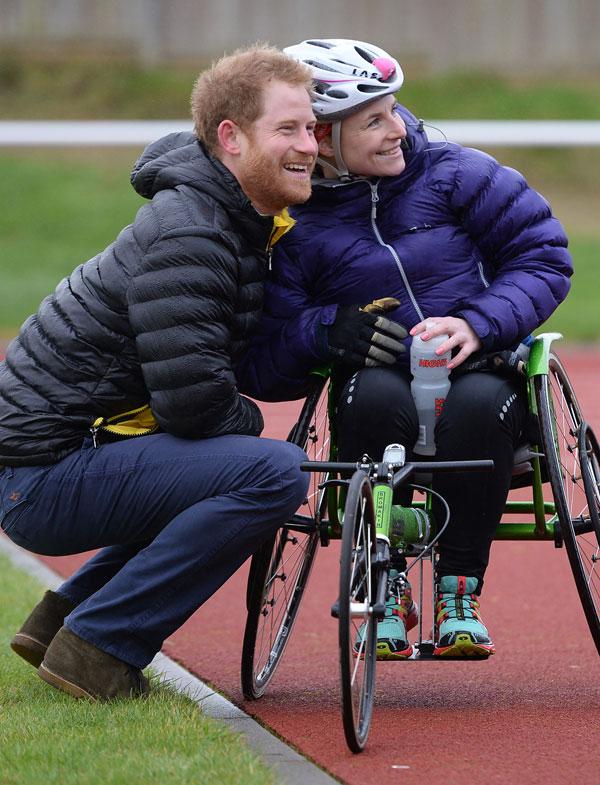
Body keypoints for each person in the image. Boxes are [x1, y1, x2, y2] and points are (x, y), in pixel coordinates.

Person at [0, 44, 319, 700]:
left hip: (52, 461)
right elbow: (195, 406)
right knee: (270, 471)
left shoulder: (228, 218)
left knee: (223, 466)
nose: (310, 146)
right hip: (36, 480)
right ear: (230, 137)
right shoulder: (193, 234)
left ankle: (61, 619)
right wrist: (252, 420)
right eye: (288, 129)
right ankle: (99, 645)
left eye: (312, 128)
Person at [236, 39, 573, 659]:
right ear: (324, 136)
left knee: (478, 409)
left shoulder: (456, 173)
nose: (398, 129)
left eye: (396, 110)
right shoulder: (293, 224)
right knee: (369, 404)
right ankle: (383, 589)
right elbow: (261, 361)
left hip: (481, 371)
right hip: (376, 383)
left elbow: (543, 255)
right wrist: (323, 330)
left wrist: (477, 324)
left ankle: (458, 594)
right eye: (375, 121)